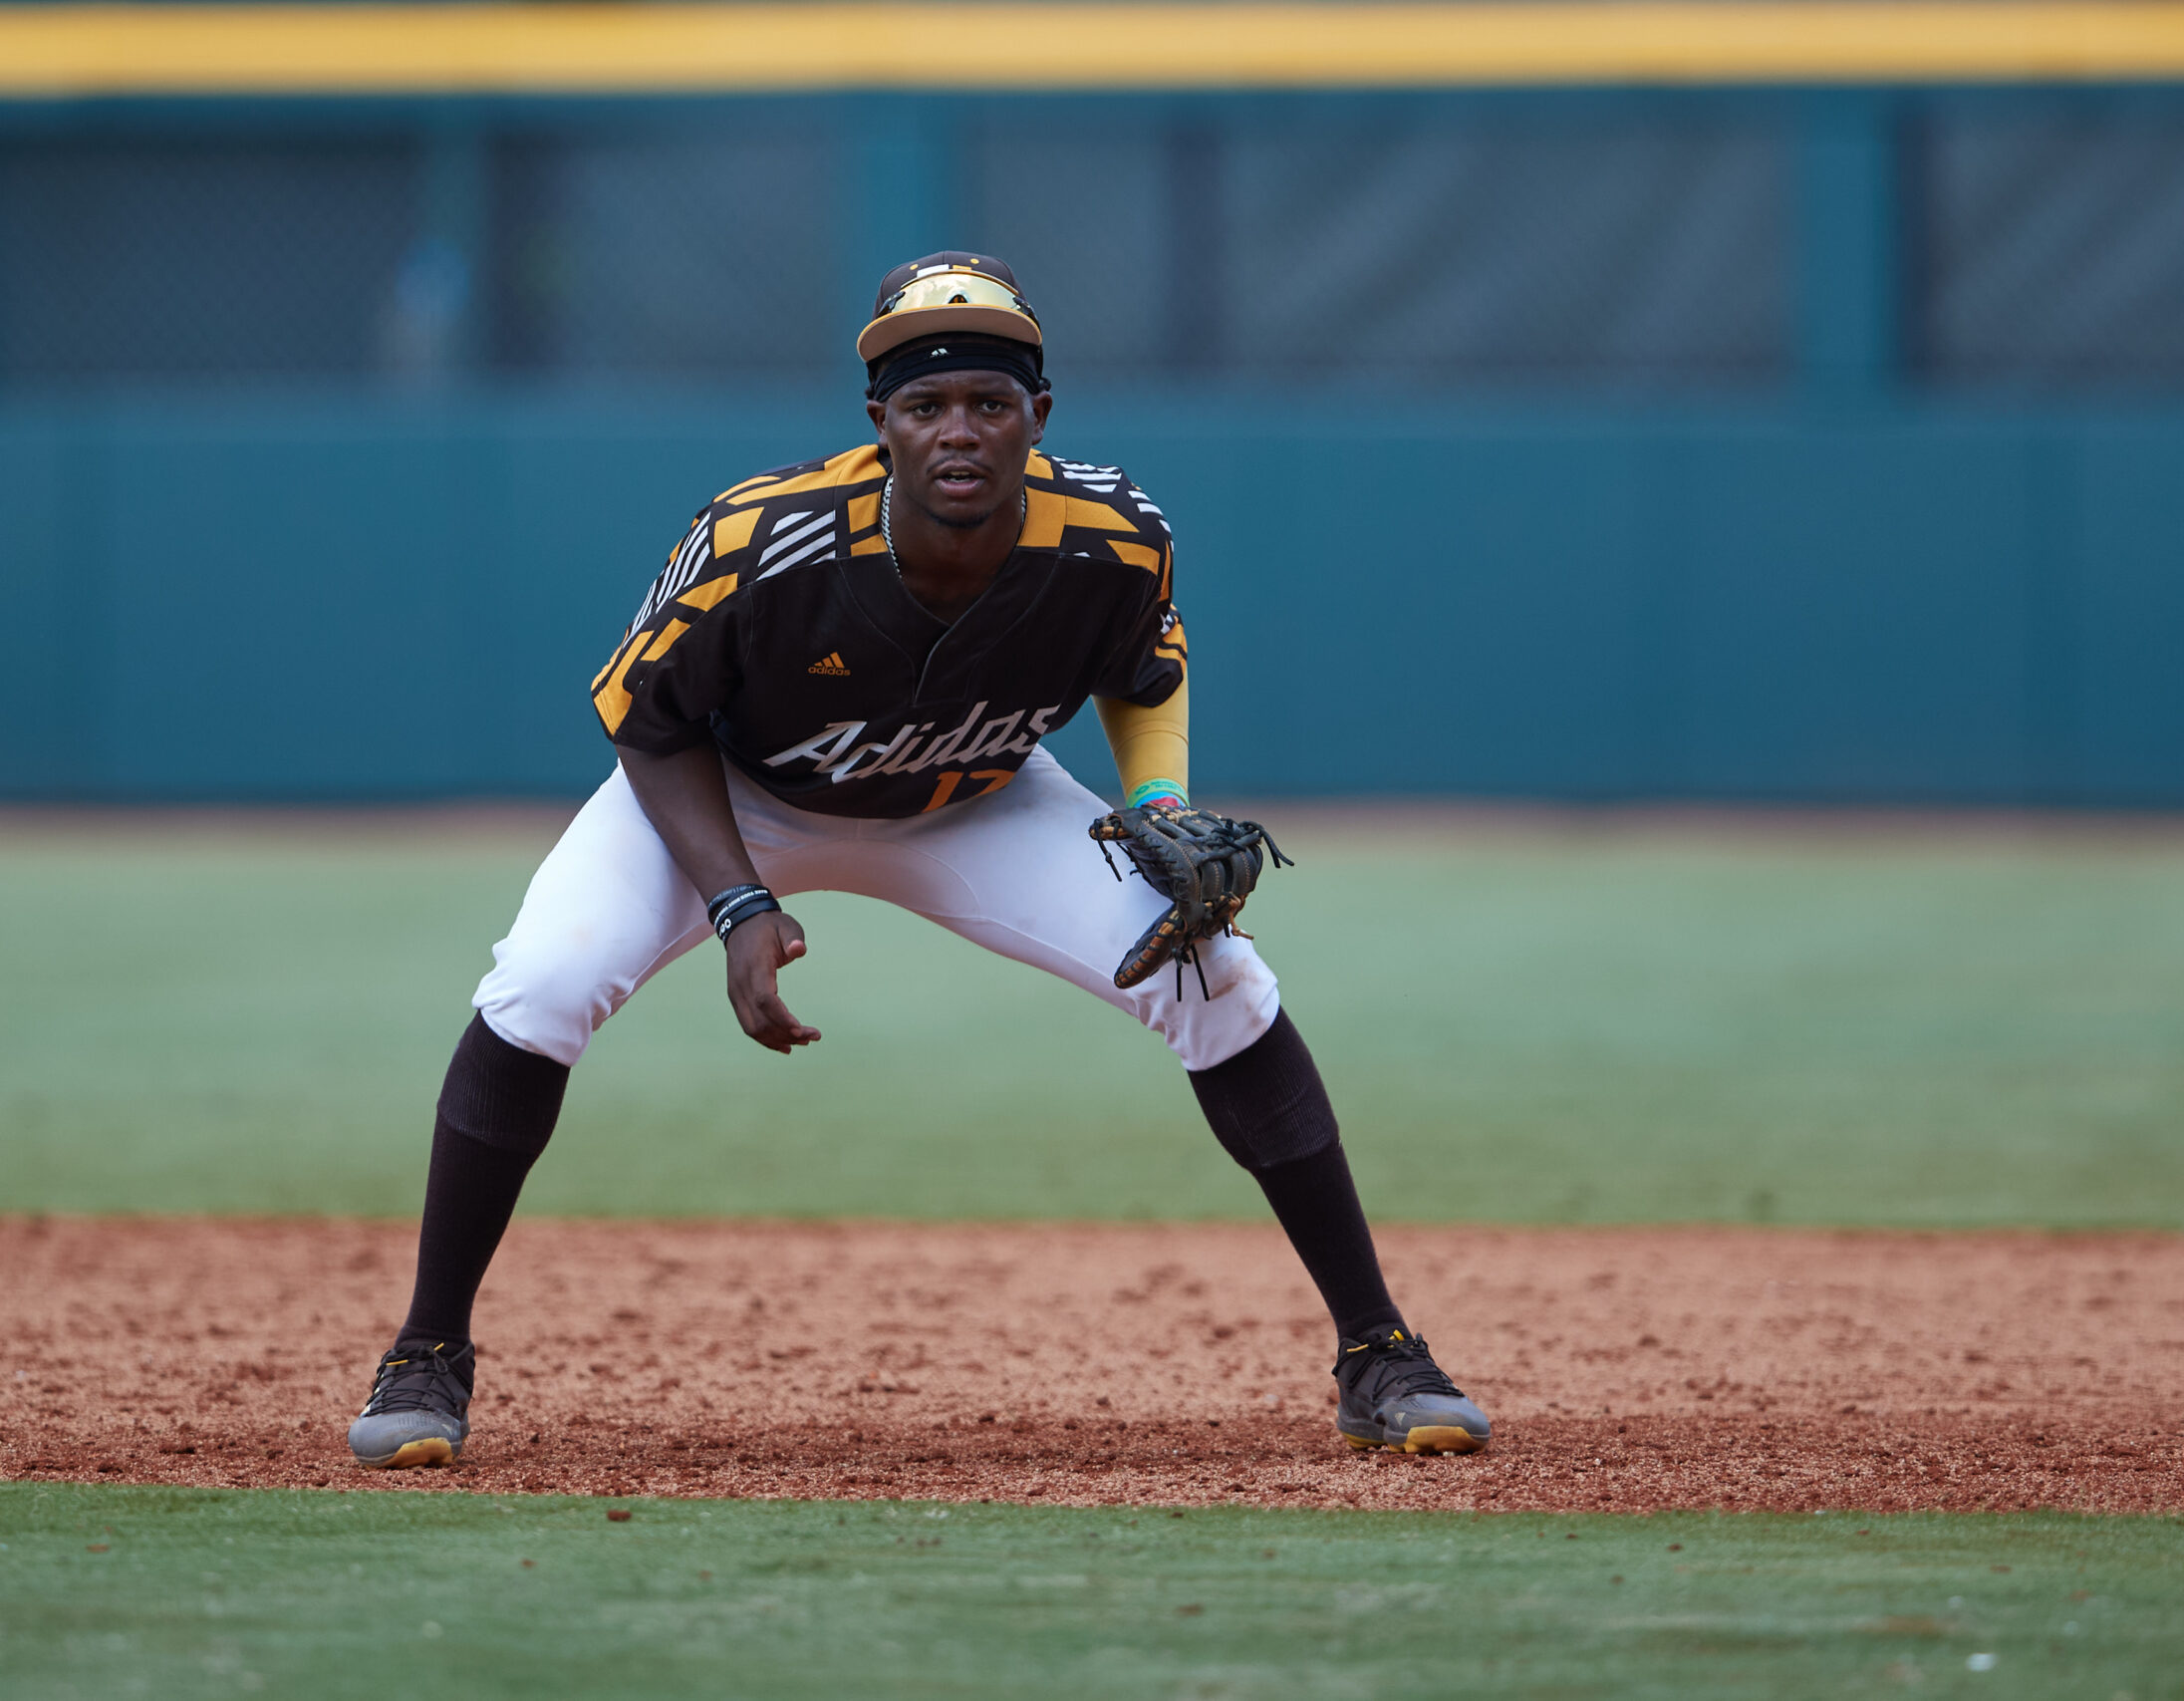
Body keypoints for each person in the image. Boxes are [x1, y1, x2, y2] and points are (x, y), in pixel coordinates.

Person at [347, 253, 1492, 1469]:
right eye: (925, 405)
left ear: (1036, 420)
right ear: (879, 425)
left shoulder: (1111, 533)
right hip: (737, 796)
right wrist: (738, 901)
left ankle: (1377, 1352)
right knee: (541, 986)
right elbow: (650, 723)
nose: (959, 431)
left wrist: (1157, 801)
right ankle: (427, 1353)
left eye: (990, 403)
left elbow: (1144, 672)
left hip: (974, 801)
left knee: (1217, 980)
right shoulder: (760, 539)